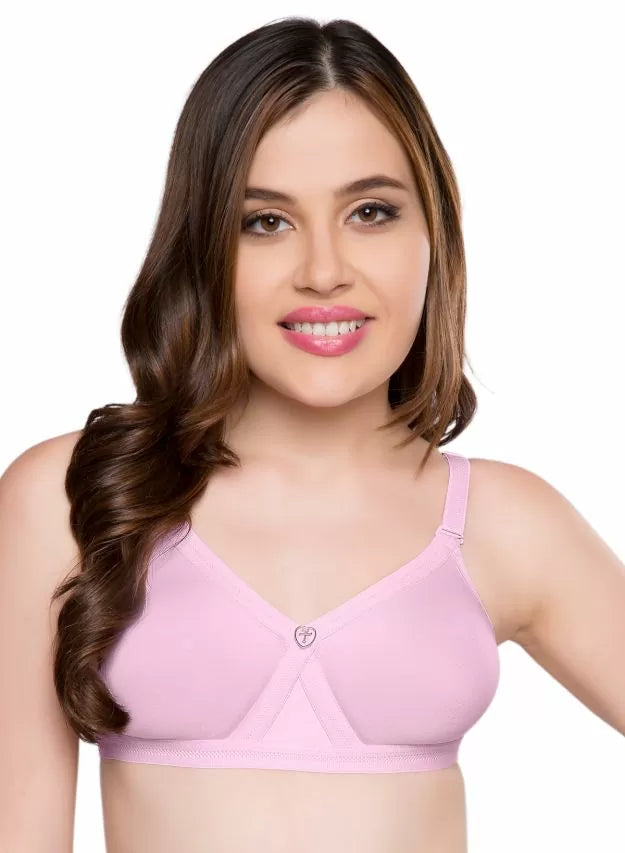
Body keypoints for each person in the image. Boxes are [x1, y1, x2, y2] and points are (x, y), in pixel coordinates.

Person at [2, 15, 624, 853]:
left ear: (432, 235)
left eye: (370, 211)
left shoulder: (504, 521)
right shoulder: (69, 498)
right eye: (265, 221)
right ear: (201, 246)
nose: (324, 271)